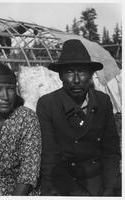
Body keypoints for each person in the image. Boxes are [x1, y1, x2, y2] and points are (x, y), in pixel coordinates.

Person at [36, 39, 121, 196]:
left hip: (96, 180)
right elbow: (49, 157)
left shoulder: (102, 101)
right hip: (61, 183)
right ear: (60, 75)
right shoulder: (47, 104)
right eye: (69, 72)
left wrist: (110, 188)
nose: (76, 80)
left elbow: (111, 151)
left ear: (91, 74)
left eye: (82, 71)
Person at [0, 63, 41, 196]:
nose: (5, 96)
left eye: (10, 89)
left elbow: (29, 169)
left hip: (21, 191)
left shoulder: (26, 118)